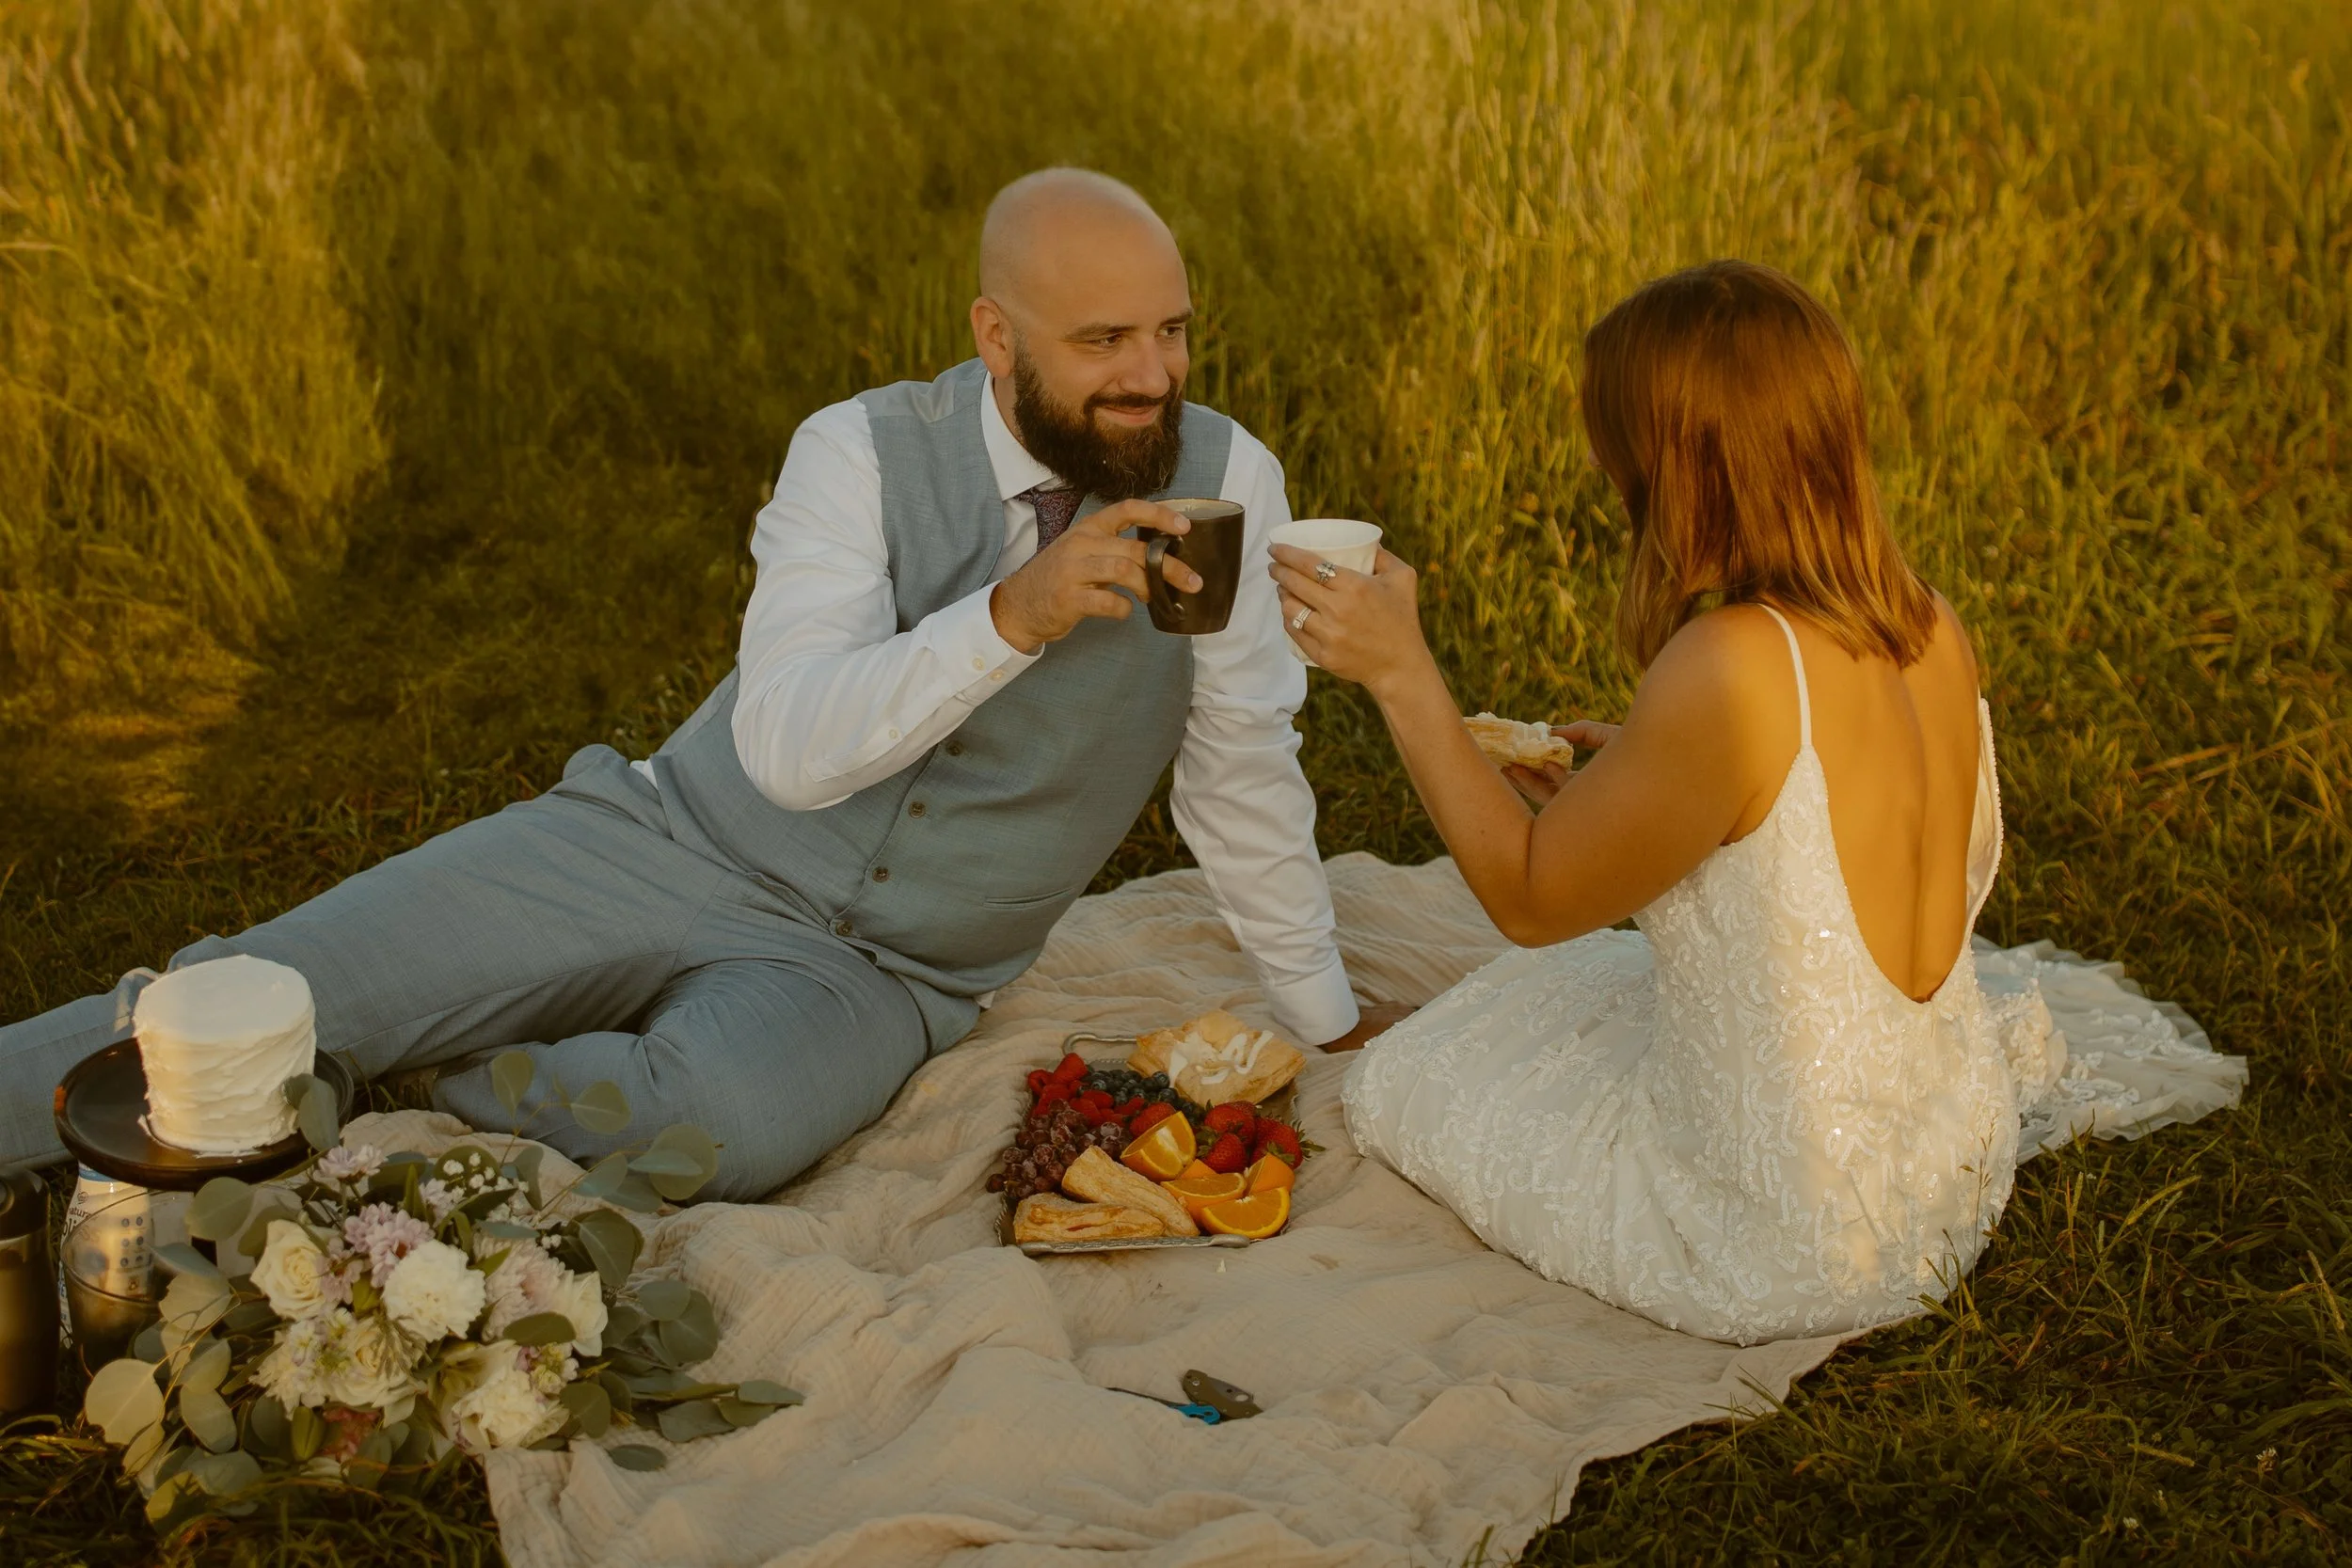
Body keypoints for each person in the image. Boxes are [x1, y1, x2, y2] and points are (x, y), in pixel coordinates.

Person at [2, 168, 1404, 1199]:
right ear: (996, 336)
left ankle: (440, 1071)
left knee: (720, 1132)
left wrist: (1322, 1008)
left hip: (885, 973)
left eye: (1172, 330)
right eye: (1104, 341)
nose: (1152, 377)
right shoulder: (851, 452)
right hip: (665, 840)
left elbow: (1240, 761)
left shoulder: (1232, 480)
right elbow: (788, 750)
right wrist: (1009, 617)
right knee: (263, 991)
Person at [1277, 261, 2238, 1343]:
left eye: (1612, 433)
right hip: (1944, 1164)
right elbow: (1789, 837)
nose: (1600, 461)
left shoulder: (1729, 665)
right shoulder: (1925, 619)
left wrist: (1404, 676)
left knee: (1422, 1075)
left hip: (1781, 1235)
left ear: (1678, 460)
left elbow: (1529, 901)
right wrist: (1634, 773)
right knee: (1549, 1003)